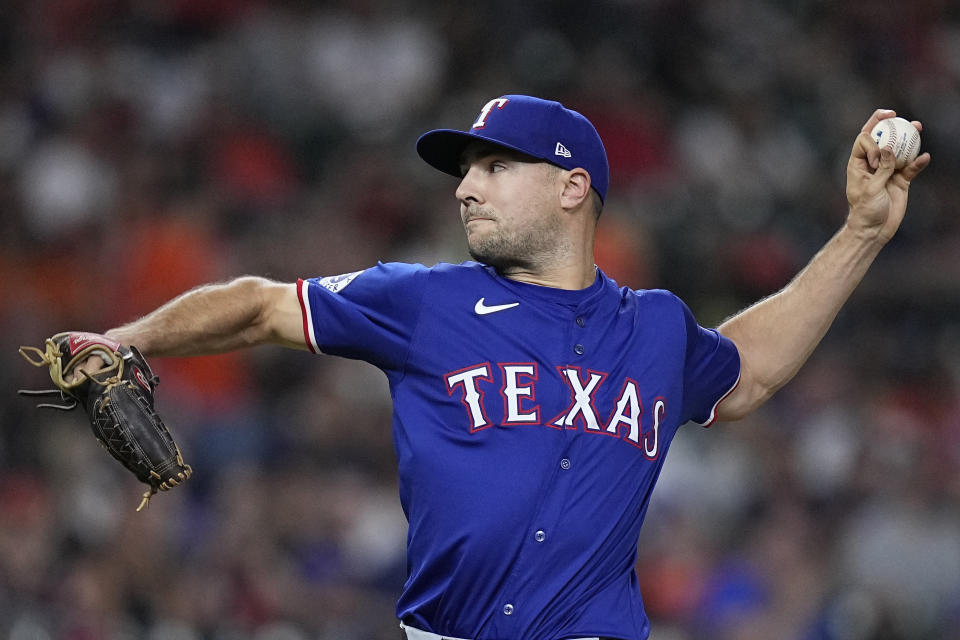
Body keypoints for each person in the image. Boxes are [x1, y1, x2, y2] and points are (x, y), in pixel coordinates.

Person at [63, 95, 929, 640]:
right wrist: (128, 339)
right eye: (466, 169)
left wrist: (859, 234)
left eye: (494, 166)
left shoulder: (657, 330)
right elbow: (257, 303)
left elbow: (751, 374)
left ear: (572, 188)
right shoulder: (422, 300)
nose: (465, 187)